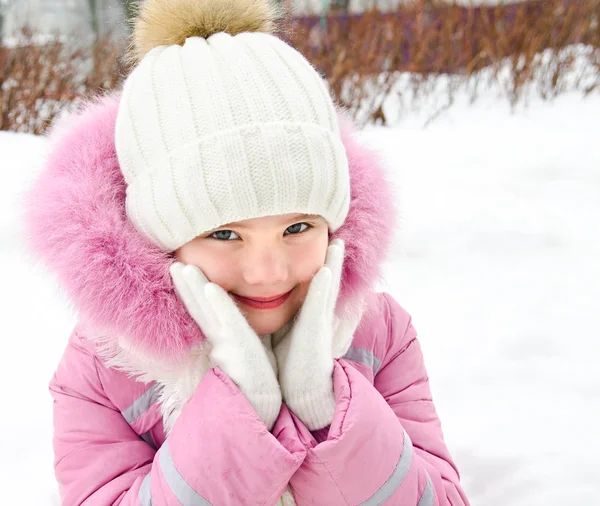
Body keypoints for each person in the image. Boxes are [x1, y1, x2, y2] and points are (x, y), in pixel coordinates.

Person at [23, 0, 470, 504]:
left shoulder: (380, 335)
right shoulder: (105, 370)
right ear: (160, 236)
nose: (267, 272)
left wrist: (326, 412)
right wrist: (236, 418)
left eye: (298, 226)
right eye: (224, 234)